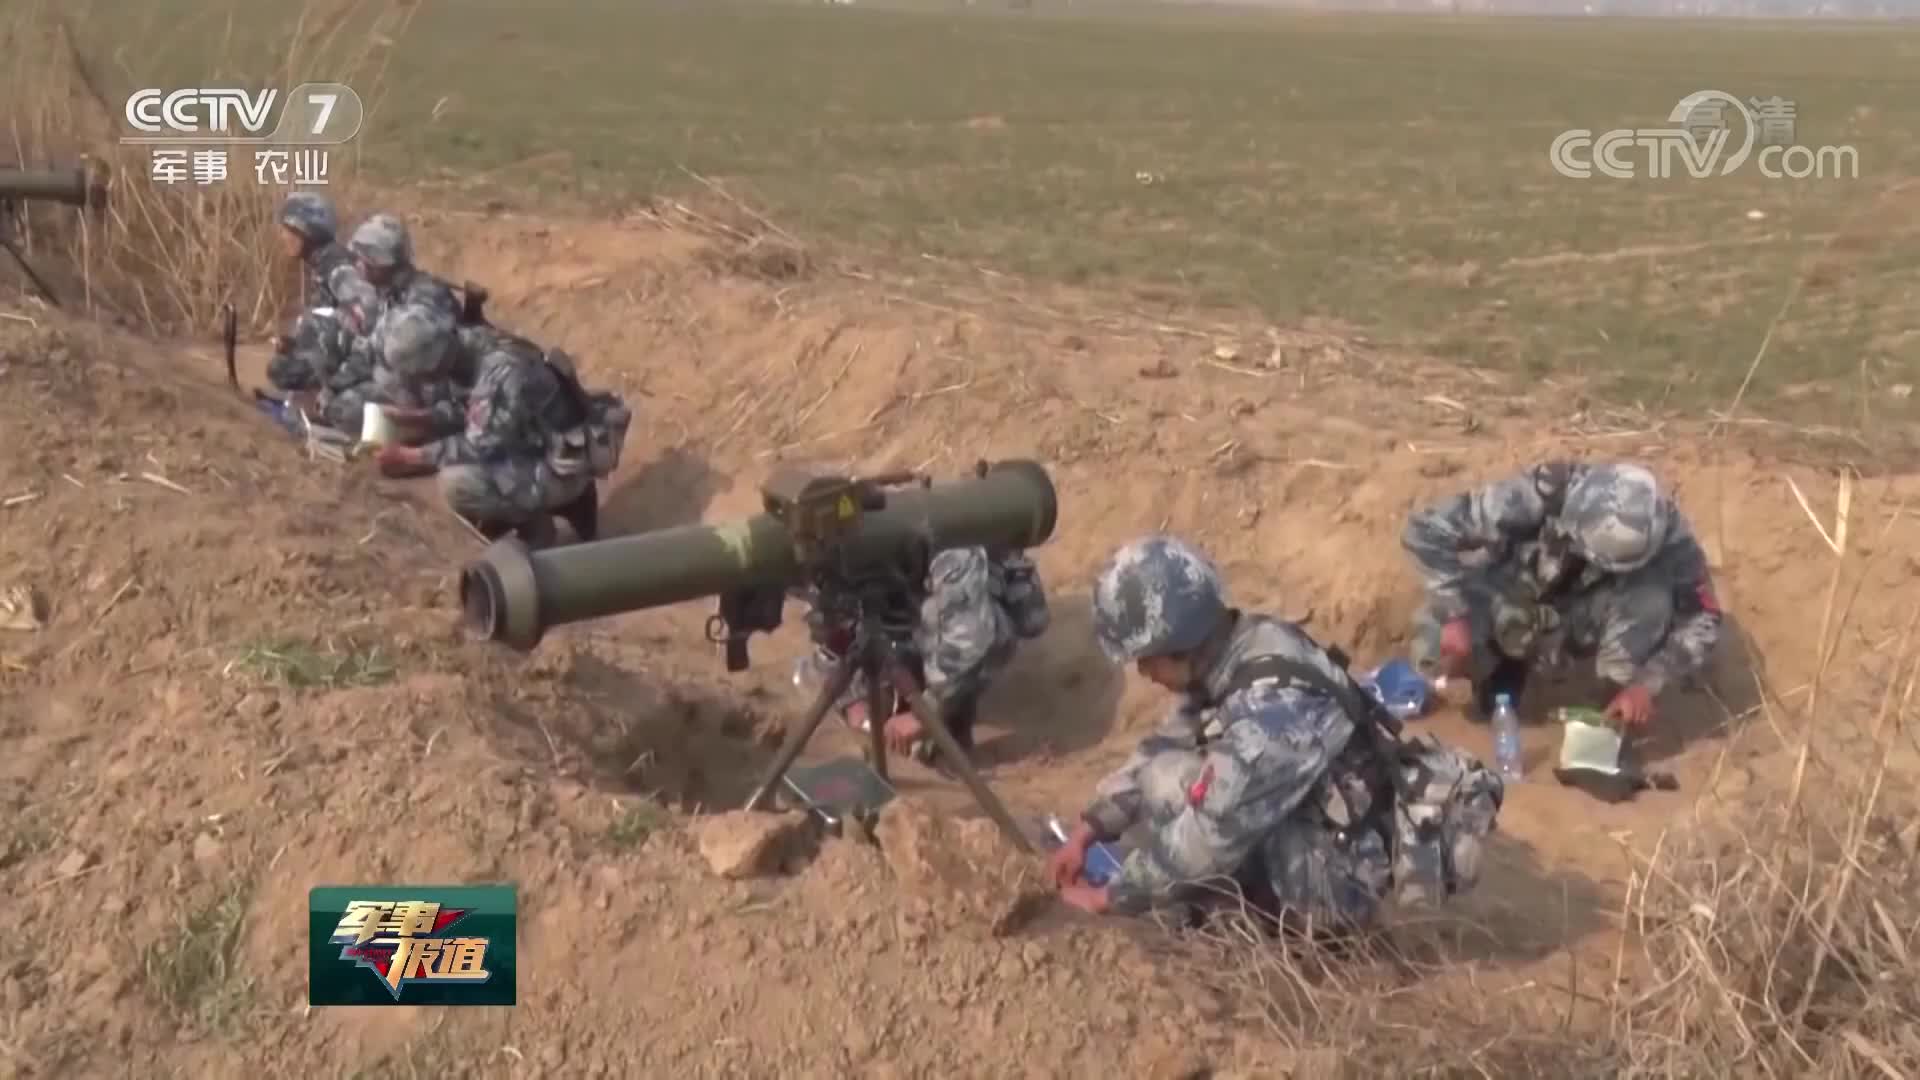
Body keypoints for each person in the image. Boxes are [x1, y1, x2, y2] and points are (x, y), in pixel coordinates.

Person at [1047, 535, 1502, 938]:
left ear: (1179, 642)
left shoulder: (1273, 711)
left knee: (1175, 789)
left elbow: (1207, 839)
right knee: (1163, 773)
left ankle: (1273, 923)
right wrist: (1088, 831)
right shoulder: (1239, 646)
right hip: (1323, 830)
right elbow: (1169, 740)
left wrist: (1111, 897)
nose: (1144, 673)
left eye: (1146, 659)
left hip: (1337, 881)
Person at [1401, 461, 1723, 732]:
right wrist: (1454, 613)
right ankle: (1500, 665)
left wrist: (1645, 683)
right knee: (1433, 652)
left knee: (1651, 599)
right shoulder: (1547, 489)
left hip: (1582, 614)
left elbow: (1704, 616)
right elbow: (1426, 529)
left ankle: (1605, 720)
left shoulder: (1671, 539)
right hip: (1509, 591)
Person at [373, 331, 630, 547]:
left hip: (563, 469)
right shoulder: (480, 347)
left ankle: (537, 525)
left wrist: (412, 457)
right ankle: (570, 502)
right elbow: (476, 411)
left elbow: (477, 445)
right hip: (549, 450)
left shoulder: (499, 372)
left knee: (457, 483)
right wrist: (418, 418)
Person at [817, 546, 1050, 765]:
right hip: (912, 584)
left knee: (967, 628)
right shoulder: (840, 540)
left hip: (975, 592)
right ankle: (906, 681)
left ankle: (952, 711)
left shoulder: (947, 545)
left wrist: (925, 714)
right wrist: (853, 699)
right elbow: (827, 619)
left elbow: (970, 639)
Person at [266, 192, 377, 395]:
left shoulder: (336, 267)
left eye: (290, 231)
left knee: (283, 371)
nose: (283, 237)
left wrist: (345, 365)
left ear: (307, 232)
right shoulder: (322, 263)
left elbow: (368, 312)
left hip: (364, 367)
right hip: (348, 358)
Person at [344, 212, 462, 330]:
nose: (360, 262)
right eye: (359, 254)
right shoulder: (389, 288)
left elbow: (407, 337)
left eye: (369, 255)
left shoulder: (423, 294)